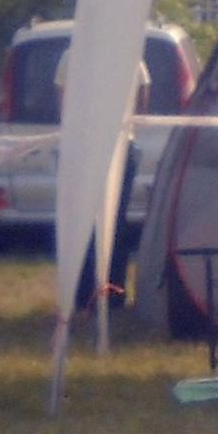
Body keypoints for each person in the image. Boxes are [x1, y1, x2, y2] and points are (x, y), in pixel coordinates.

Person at [57, 48, 150, 312]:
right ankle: (104, 294)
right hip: (112, 147)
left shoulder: (72, 55)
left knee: (94, 224)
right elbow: (144, 96)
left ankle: (96, 293)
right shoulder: (128, 54)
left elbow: (62, 101)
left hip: (98, 149)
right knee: (111, 224)